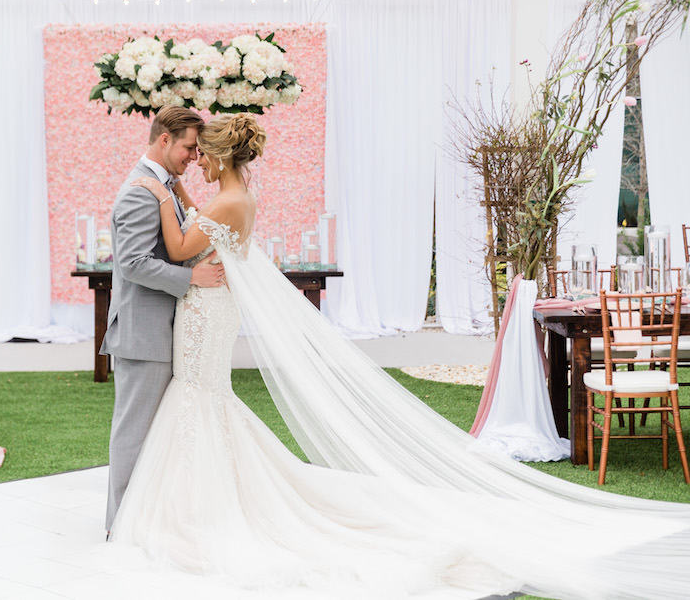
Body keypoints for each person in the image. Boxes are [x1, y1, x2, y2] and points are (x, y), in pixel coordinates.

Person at [107, 112, 690, 599]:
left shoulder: (221, 200)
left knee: (201, 397)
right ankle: (191, 502)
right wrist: (176, 192)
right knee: (201, 400)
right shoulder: (232, 194)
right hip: (205, 307)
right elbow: (185, 242)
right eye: (188, 155)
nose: (194, 164)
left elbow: (182, 245)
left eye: (199, 156)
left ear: (218, 156)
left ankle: (183, 510)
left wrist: (163, 192)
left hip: (207, 310)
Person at [101, 106, 225, 534]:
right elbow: (133, 263)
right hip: (143, 332)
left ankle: (147, 522)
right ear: (164, 139)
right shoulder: (140, 190)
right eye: (190, 147)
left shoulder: (163, 185)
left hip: (162, 331)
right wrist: (192, 277)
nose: (194, 156)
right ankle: (120, 527)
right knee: (134, 434)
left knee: (156, 435)